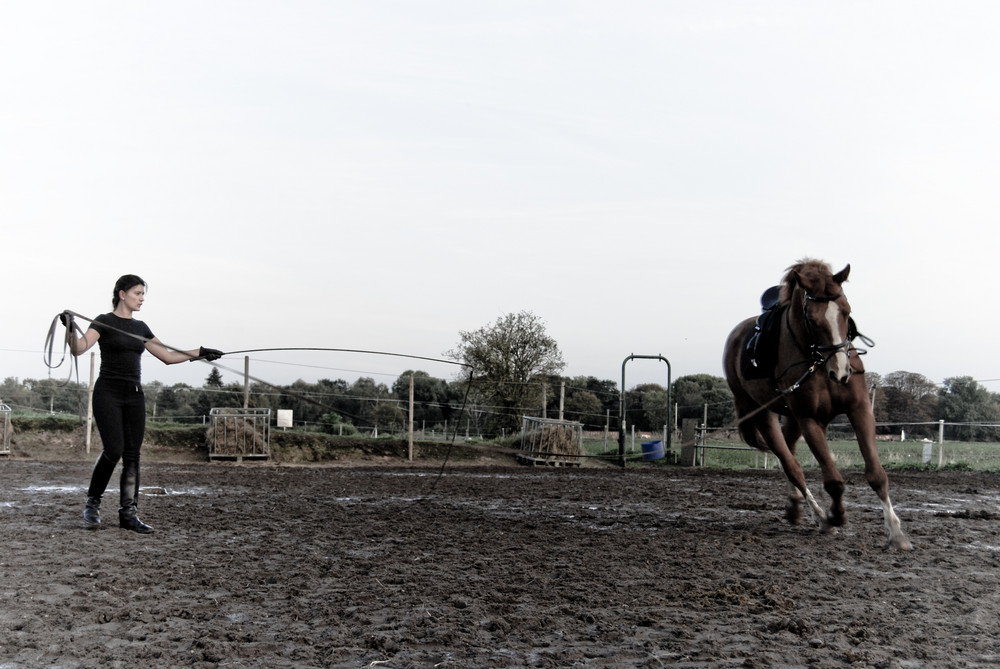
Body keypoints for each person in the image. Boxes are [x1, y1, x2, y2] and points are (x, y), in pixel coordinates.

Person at [65, 274, 222, 533]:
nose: (142, 298)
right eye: (138, 293)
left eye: (143, 294)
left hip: (134, 395)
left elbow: (168, 357)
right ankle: (92, 505)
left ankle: (128, 513)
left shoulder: (141, 328)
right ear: (122, 294)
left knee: (132, 455)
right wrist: (70, 327)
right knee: (113, 450)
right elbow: (79, 348)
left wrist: (200, 353)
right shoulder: (103, 322)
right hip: (108, 393)